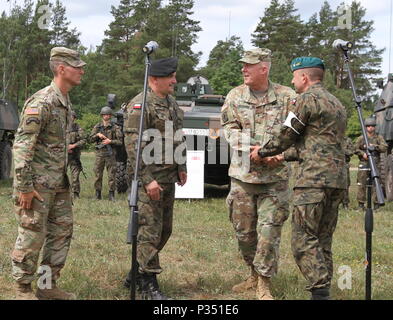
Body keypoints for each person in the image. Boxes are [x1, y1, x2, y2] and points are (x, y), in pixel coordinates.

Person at [250, 57, 347, 300]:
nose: (292, 81)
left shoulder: (306, 99)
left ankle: (320, 292)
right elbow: (318, 146)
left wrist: (262, 152)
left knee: (303, 240)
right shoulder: (337, 104)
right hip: (336, 181)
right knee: (322, 239)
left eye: (294, 76)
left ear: (304, 77)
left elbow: (287, 133)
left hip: (311, 182)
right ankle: (323, 290)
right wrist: (283, 157)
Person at [221, 48, 297, 300]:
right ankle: (252, 273)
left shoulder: (288, 97)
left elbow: (298, 132)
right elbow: (228, 127)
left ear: (264, 68)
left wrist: (278, 153)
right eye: (243, 65)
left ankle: (264, 283)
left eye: (249, 65)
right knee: (244, 233)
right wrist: (251, 148)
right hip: (243, 177)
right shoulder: (235, 95)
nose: (244, 69)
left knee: (269, 233)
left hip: (275, 180)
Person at [11, 47, 85, 300]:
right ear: (61, 69)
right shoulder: (42, 101)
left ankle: (46, 285)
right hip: (36, 186)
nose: (82, 70)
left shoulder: (64, 101)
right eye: (77, 66)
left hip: (58, 183)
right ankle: (23, 288)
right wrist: (23, 187)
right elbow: (22, 145)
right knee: (32, 234)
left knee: (60, 234)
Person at [123, 57, 187, 300]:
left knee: (164, 231)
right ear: (154, 80)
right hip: (148, 179)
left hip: (169, 177)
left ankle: (135, 273)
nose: (174, 80)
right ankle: (149, 284)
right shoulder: (140, 105)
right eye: (170, 77)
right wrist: (147, 179)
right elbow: (132, 146)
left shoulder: (172, 104)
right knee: (149, 230)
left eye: (174, 76)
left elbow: (178, 135)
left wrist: (181, 164)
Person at [90, 107, 122, 201]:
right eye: (104, 115)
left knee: (112, 175)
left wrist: (110, 141)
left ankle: (111, 194)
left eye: (108, 115)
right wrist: (97, 135)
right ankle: (97, 194)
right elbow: (90, 139)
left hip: (110, 154)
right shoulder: (97, 126)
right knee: (97, 174)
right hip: (100, 154)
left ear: (110, 116)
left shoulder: (115, 127)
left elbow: (120, 142)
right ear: (102, 116)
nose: (106, 116)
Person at [355, 116, 387, 210]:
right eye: (368, 126)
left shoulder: (379, 137)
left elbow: (384, 147)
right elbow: (354, 148)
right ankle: (361, 205)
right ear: (365, 127)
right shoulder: (361, 138)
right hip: (364, 163)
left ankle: (376, 205)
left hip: (375, 163)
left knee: (376, 183)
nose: (370, 128)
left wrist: (375, 146)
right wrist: (362, 153)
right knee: (361, 184)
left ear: (374, 127)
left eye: (372, 126)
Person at [67, 111, 86, 199]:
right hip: (63, 155)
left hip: (74, 155)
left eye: (72, 117)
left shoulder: (78, 128)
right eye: (69, 116)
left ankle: (76, 193)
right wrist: (66, 148)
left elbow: (83, 140)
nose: (71, 118)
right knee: (60, 175)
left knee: (75, 176)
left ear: (74, 118)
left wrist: (73, 146)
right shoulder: (62, 127)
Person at [341, 136, 355, 209]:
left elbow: (352, 152)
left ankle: (345, 203)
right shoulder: (331, 137)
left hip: (344, 164)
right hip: (331, 164)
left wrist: (343, 150)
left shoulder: (347, 140)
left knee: (346, 184)